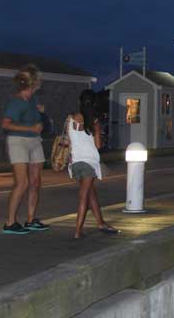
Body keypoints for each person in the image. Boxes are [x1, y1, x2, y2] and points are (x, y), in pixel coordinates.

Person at [1, 64, 49, 235]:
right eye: (39, 79)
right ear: (33, 82)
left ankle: (30, 220)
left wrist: (41, 114)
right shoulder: (16, 102)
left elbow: (35, 121)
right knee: (22, 183)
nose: (41, 82)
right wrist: (30, 129)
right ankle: (10, 223)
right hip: (18, 141)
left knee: (35, 182)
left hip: (35, 141)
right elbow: (5, 124)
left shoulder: (33, 100)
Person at [69, 90, 118, 239]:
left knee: (91, 193)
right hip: (89, 163)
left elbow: (69, 142)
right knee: (84, 196)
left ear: (80, 102)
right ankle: (77, 231)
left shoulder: (70, 119)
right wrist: (98, 133)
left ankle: (100, 222)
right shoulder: (94, 122)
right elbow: (97, 145)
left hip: (76, 163)